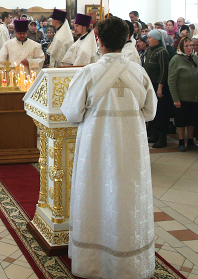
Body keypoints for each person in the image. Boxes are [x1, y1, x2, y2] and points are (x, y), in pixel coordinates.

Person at [61, 16, 156, 279]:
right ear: (127, 38)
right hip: (130, 147)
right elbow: (150, 113)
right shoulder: (139, 71)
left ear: (98, 41)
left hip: (96, 146)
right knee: (128, 196)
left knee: (94, 193)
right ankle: (131, 263)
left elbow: (71, 113)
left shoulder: (88, 73)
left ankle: (93, 262)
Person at [168, 36, 198, 152]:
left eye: (191, 45)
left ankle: (191, 141)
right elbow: (171, 81)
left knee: (192, 120)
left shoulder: (195, 58)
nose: (190, 48)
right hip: (182, 97)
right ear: (181, 47)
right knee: (181, 121)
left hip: (195, 96)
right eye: (187, 46)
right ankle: (181, 141)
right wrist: (175, 99)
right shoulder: (176, 59)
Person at [144, 29, 172, 149]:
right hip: (151, 85)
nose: (148, 40)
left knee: (161, 112)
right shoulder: (151, 50)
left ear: (157, 39)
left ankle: (162, 138)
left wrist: (160, 87)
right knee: (153, 109)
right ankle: (154, 134)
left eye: (150, 38)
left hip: (159, 86)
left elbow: (164, 71)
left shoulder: (162, 52)